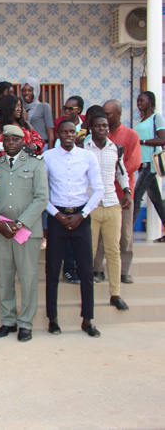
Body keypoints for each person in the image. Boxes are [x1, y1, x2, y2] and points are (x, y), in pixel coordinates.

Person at [43, 120, 104, 337]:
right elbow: (42, 192)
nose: (68, 135)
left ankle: (87, 319)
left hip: (81, 217)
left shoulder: (88, 156)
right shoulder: (48, 157)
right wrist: (57, 214)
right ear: (58, 134)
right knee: (52, 270)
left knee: (86, 271)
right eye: (64, 132)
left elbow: (98, 190)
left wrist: (82, 214)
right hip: (56, 217)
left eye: (72, 131)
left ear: (76, 133)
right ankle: (53, 319)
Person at [0, 125, 48, 342]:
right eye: (7, 139)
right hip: (1, 232)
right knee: (4, 278)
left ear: (23, 141)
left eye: (16, 139)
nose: (11, 142)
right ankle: (8, 321)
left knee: (28, 278)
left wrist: (20, 223)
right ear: (2, 142)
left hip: (26, 232)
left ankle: (26, 323)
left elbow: (41, 198)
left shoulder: (35, 165)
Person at [84, 113, 132, 311]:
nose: (102, 129)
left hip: (112, 204)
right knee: (90, 251)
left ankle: (115, 294)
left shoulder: (116, 149)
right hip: (91, 205)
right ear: (91, 128)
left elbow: (121, 173)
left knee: (113, 251)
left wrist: (127, 191)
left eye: (105, 126)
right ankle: (89, 295)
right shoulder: (83, 149)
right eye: (98, 126)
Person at [94, 99, 141, 284]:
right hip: (101, 193)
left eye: (108, 113)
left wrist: (113, 178)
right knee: (100, 236)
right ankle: (97, 269)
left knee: (125, 235)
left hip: (122, 192)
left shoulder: (130, 135)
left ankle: (124, 271)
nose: (104, 117)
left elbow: (133, 163)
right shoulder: (98, 134)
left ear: (118, 114)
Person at [132, 91, 165, 242]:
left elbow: (162, 139)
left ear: (150, 102)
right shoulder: (141, 120)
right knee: (156, 199)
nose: (139, 103)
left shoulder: (156, 118)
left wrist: (142, 141)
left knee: (136, 195)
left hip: (150, 163)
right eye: (138, 101)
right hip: (141, 163)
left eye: (142, 101)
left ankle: (126, 233)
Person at [0, 94, 45, 160]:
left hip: (27, 161)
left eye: (20, 107)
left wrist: (33, 146)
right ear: (7, 108)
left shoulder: (25, 124)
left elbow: (39, 139)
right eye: (16, 107)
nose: (19, 109)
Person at [19, 77, 54, 149]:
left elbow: (50, 132)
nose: (26, 93)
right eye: (24, 90)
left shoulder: (44, 106)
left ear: (36, 91)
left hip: (42, 146)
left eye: (30, 90)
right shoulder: (19, 108)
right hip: (25, 147)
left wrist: (50, 152)